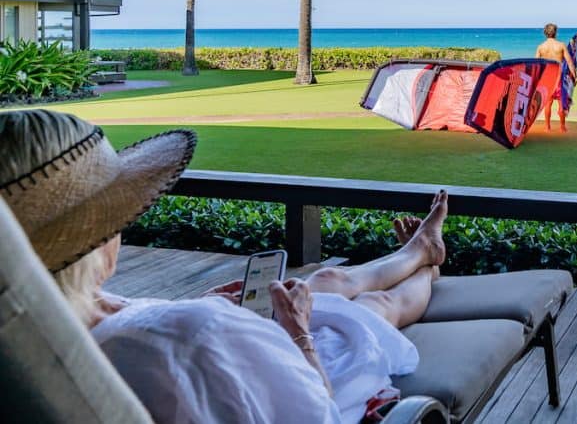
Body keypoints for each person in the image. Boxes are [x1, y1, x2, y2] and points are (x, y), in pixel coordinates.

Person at [0, 109, 450, 424]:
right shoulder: (194, 334)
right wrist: (298, 333)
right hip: (300, 376)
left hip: (230, 360)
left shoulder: (29, 337)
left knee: (325, 280)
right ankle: (429, 264)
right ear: (94, 239)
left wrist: (191, 307)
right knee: (373, 307)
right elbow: (321, 416)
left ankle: (419, 249)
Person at [535, 23, 577, 132]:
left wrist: (536, 80)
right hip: (559, 78)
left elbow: (536, 65)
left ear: (545, 33)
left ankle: (547, 127)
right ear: (556, 32)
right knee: (561, 103)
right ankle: (562, 127)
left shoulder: (540, 47)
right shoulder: (561, 45)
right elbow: (570, 62)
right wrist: (575, 76)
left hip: (547, 79)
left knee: (548, 103)